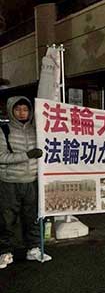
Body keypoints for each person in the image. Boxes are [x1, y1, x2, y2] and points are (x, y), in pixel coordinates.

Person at [0, 96, 52, 270]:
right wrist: (27, 155)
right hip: (10, 182)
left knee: (33, 217)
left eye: (25, 109)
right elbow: (1, 157)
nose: (22, 113)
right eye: (18, 109)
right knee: (7, 219)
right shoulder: (4, 130)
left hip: (32, 182)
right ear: (11, 110)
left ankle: (34, 248)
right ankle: (5, 252)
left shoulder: (36, 130)